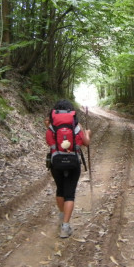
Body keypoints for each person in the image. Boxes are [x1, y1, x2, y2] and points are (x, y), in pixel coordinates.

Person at [45, 99, 91, 238]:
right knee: (69, 193)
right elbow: (86, 143)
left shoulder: (51, 126)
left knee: (60, 190)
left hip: (56, 162)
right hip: (73, 163)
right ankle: (65, 226)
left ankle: (62, 215)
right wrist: (88, 133)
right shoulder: (77, 126)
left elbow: (48, 141)